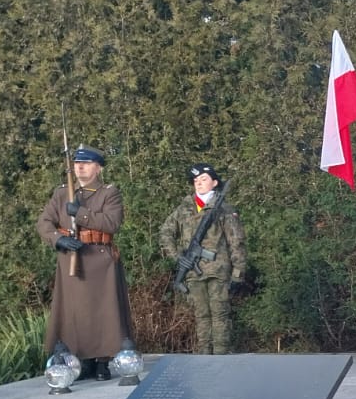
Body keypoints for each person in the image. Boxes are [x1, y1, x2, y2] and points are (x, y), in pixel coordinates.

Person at [36, 144, 135, 380]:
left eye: (86, 163)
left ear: (98, 168)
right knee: (75, 314)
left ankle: (103, 361)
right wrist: (58, 239)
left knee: (103, 312)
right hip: (72, 259)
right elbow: (44, 223)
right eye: (77, 163)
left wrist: (80, 213)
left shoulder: (109, 192)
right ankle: (81, 360)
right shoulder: (62, 193)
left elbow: (111, 223)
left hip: (100, 261)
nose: (80, 167)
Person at [159, 163, 247, 354]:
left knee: (220, 315)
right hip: (193, 271)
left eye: (203, 179)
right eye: (195, 180)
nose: (198, 183)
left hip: (217, 270)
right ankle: (204, 358)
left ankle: (220, 358)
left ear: (214, 183)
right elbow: (165, 233)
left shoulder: (223, 209)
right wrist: (177, 257)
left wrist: (238, 272)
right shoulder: (184, 209)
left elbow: (236, 241)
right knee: (201, 316)